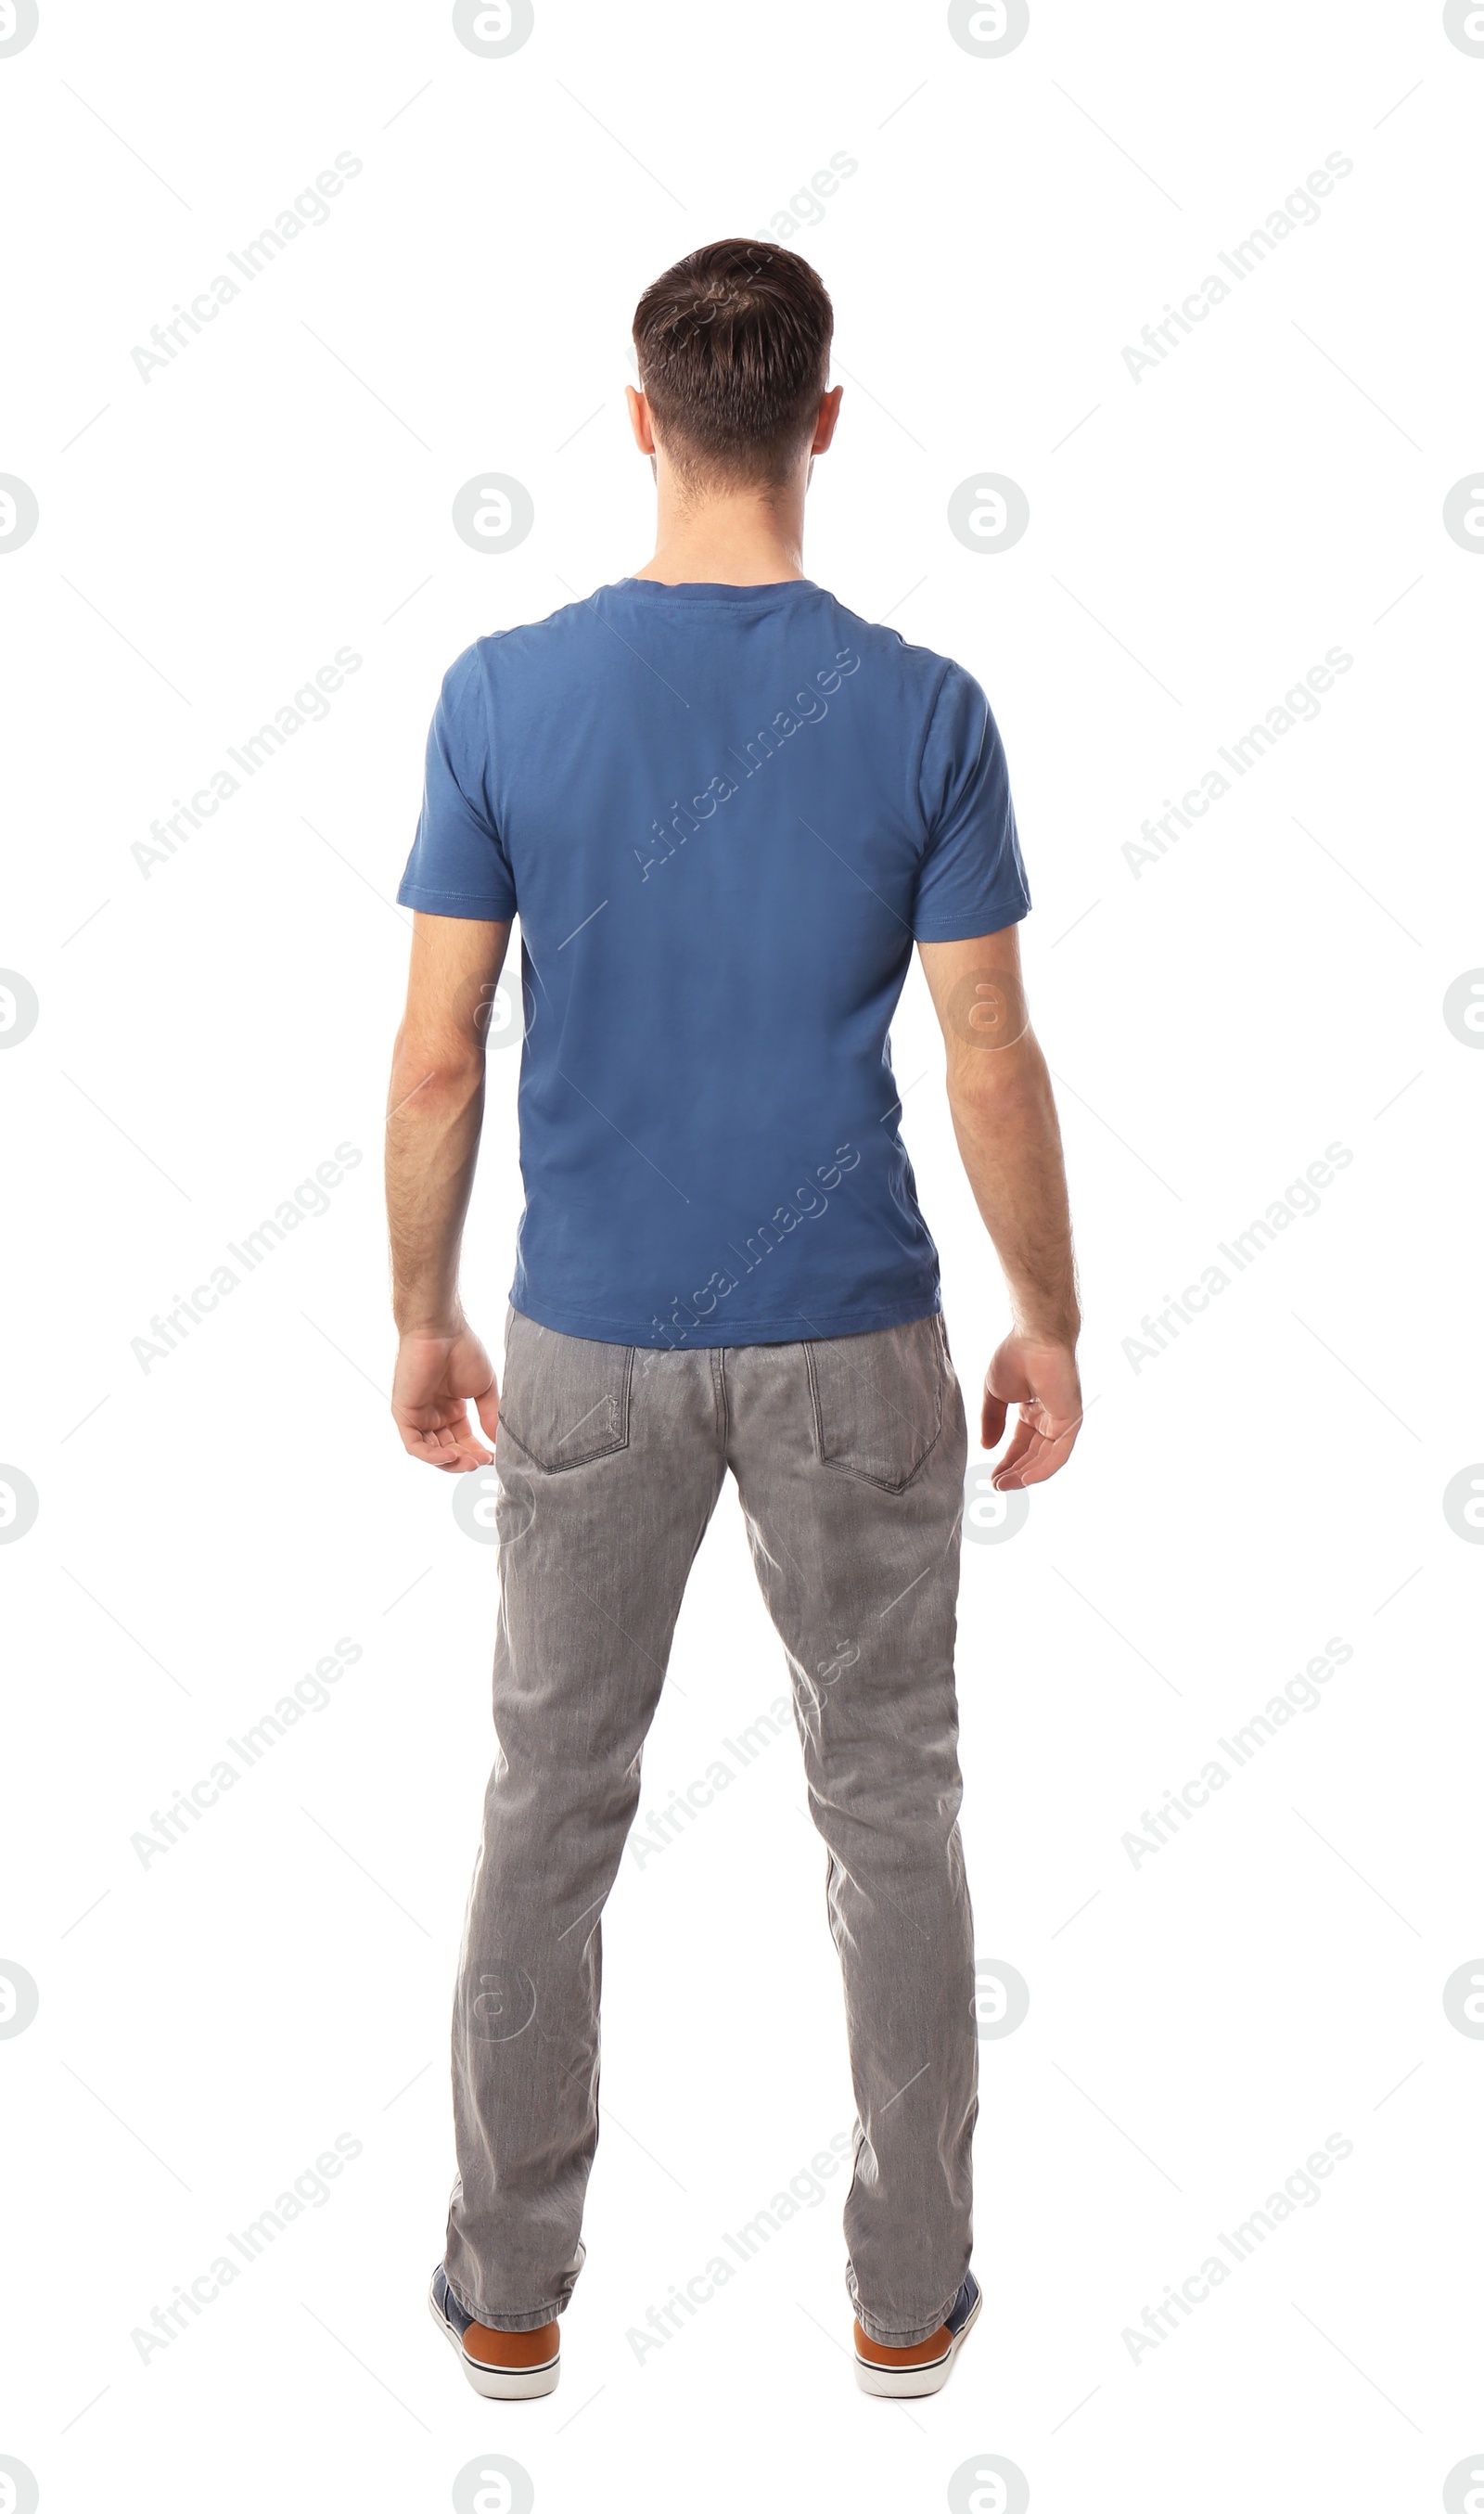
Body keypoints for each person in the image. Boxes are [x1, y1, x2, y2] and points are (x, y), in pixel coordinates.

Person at [385, 238, 1081, 2404]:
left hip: (584, 1334)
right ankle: (903, 2303)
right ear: (826, 427)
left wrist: (420, 1314)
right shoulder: (921, 705)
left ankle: (508, 2294)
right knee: (891, 1808)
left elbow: (436, 1058)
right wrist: (1045, 1314)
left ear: (636, 421)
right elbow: (987, 1050)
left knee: (546, 1801)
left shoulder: (502, 692)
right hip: (850, 1331)